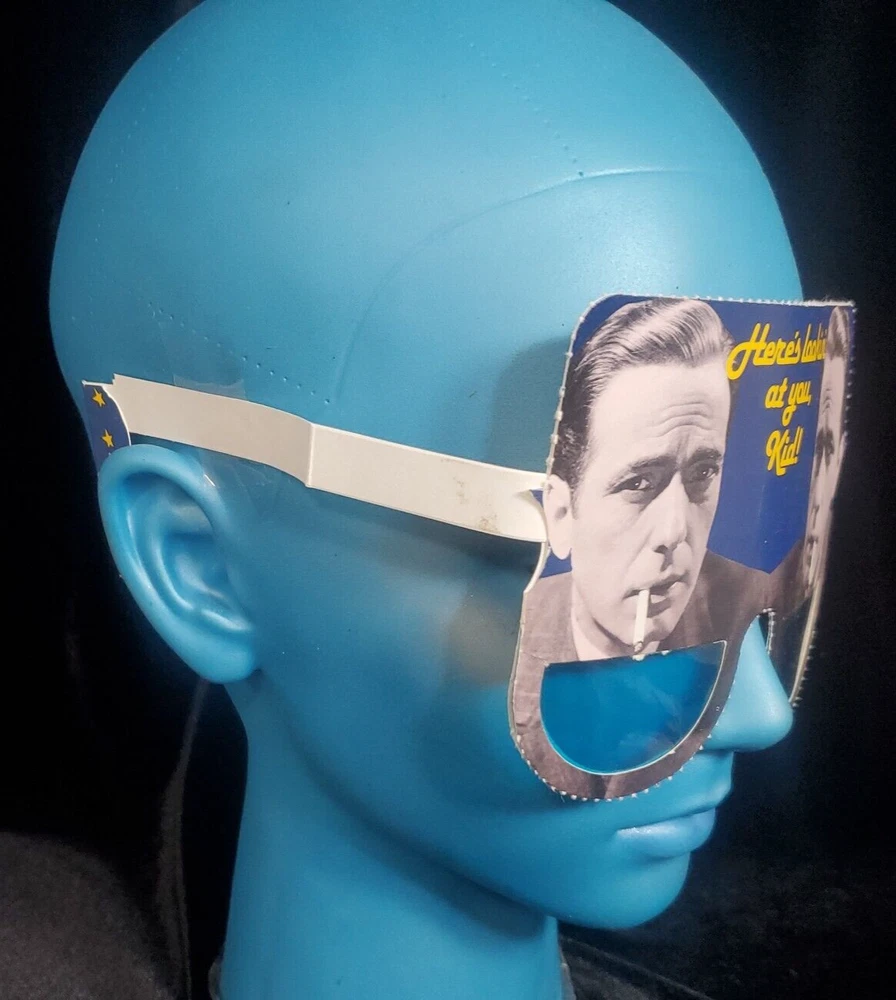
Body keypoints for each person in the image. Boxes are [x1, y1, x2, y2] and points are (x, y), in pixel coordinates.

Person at [527, 297, 769, 670]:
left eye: (703, 473)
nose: (673, 532)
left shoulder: (754, 603)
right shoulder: (509, 637)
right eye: (638, 483)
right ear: (561, 513)